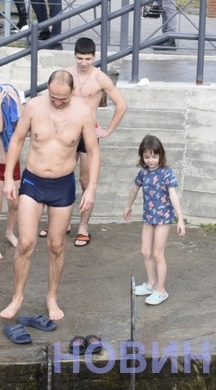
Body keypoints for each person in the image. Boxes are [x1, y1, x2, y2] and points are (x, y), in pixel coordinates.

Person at [0, 70, 99, 321]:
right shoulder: (33, 107)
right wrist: (10, 177)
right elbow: (17, 140)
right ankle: (17, 297)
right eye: (53, 96)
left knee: (56, 245)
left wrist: (91, 187)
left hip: (62, 185)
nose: (56, 102)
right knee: (25, 242)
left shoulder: (83, 113)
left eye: (62, 99)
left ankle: (52, 297)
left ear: (72, 92)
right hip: (33, 182)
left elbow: (94, 152)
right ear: (47, 90)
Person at [61, 37, 127, 248]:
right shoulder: (66, 74)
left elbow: (122, 105)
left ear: (94, 57)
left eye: (87, 58)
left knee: (86, 181)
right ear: (75, 56)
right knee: (62, 176)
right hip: (67, 132)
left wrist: (107, 130)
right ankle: (63, 223)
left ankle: (83, 226)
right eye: (80, 58)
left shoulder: (100, 78)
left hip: (89, 133)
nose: (83, 62)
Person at [122, 135, 185, 306]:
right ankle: (151, 284)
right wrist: (128, 206)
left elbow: (173, 195)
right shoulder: (143, 172)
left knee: (158, 254)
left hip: (163, 218)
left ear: (161, 155)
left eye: (154, 156)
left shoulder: (166, 172)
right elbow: (134, 190)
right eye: (147, 156)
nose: (151, 160)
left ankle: (161, 290)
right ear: (142, 156)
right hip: (149, 217)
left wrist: (180, 219)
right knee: (145, 252)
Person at [0, 84, 24, 260]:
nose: (7, 103)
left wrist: (17, 100)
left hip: (13, 166)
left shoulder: (15, 121)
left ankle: (9, 232)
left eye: (8, 101)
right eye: (3, 100)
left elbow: (25, 122)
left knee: (14, 204)